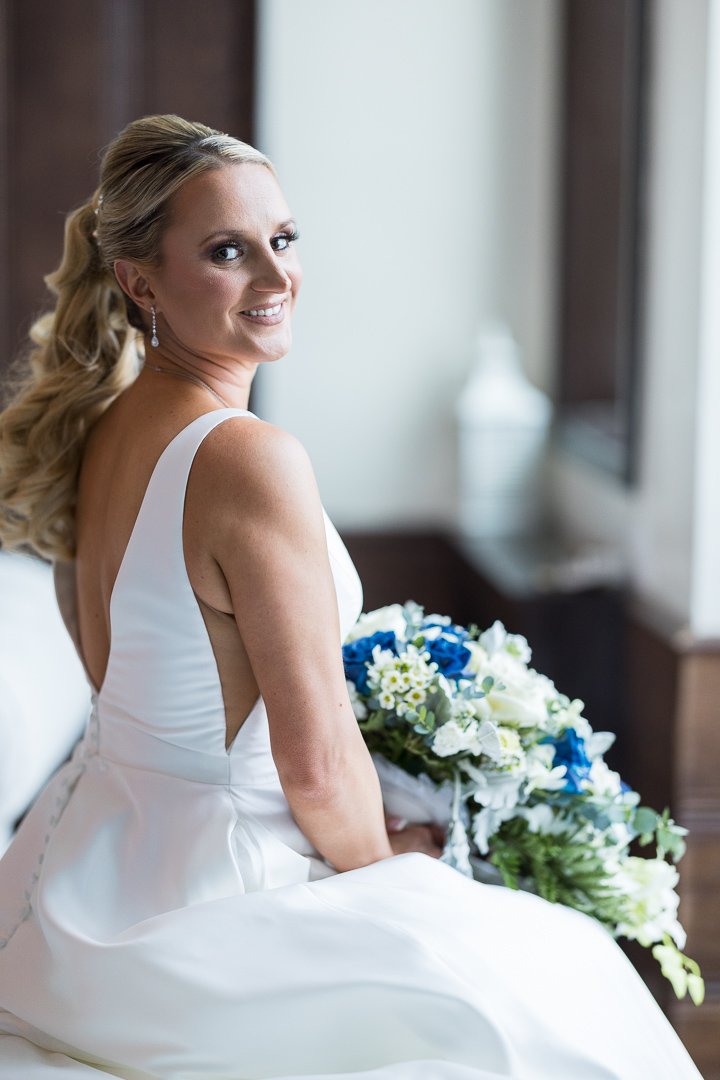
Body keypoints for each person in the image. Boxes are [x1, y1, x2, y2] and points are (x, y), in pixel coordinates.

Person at [0, 115, 703, 1080]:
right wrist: (394, 870)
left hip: (100, 867)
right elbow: (317, 772)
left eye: (282, 240)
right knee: (562, 986)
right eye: (227, 251)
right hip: (219, 886)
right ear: (139, 280)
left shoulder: (108, 425)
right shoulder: (247, 458)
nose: (277, 277)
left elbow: (109, 669)